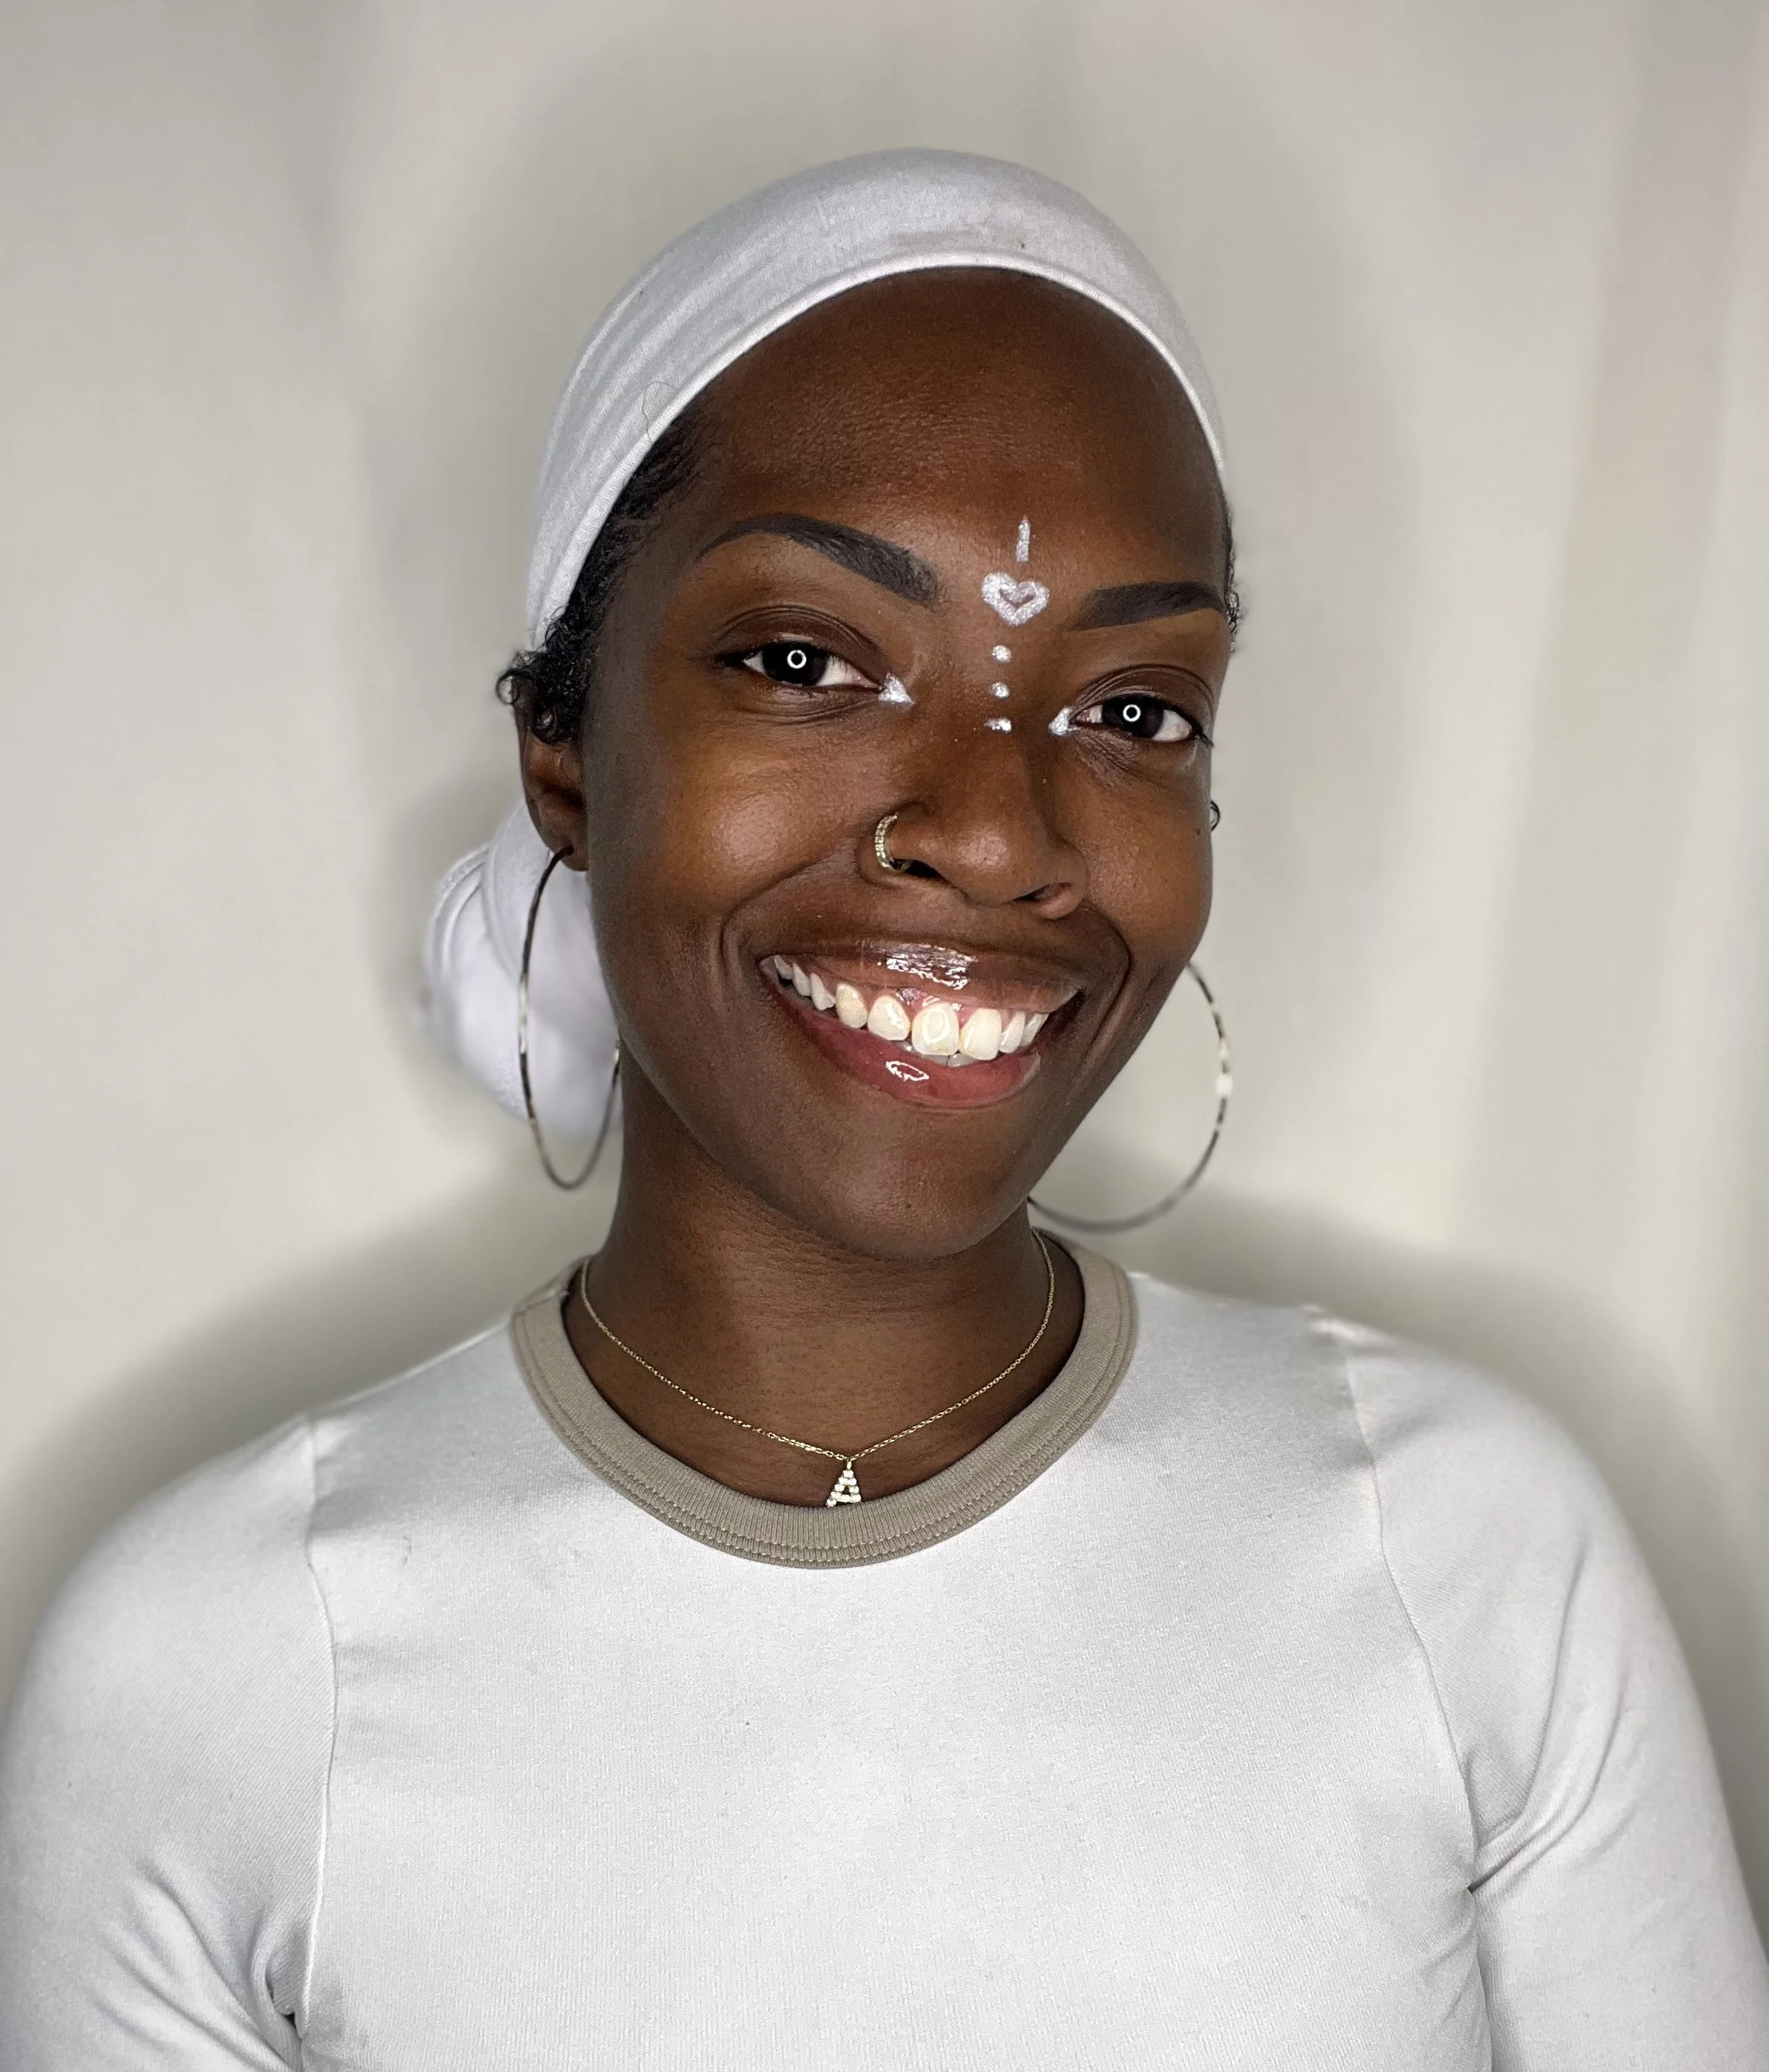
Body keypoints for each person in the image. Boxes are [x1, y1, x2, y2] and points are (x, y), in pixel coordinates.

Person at [1, 150, 1764, 2072]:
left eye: (1134, 709)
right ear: (563, 752)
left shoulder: (1463, 1550)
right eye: (804, 662)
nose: (995, 832)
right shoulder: (222, 1672)